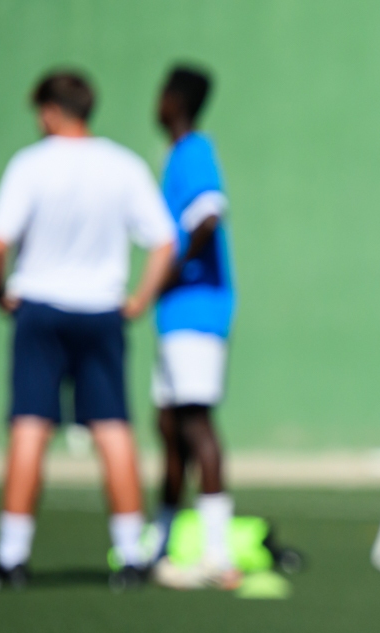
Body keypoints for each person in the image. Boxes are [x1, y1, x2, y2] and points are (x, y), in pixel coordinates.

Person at [0, 70, 175, 592]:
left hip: (40, 309)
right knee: (112, 427)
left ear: (51, 111)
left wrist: (0, 292)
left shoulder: (30, 165)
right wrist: (139, 300)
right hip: (100, 311)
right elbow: (164, 241)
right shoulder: (123, 165)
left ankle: (11, 558)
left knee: (30, 427)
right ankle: (131, 557)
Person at [146, 66, 240, 590]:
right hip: (175, 316)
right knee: (168, 426)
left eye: (161, 94)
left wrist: (172, 270)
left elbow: (209, 214)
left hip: (197, 313)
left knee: (196, 425)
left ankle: (218, 555)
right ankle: (158, 544)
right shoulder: (178, 154)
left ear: (174, 100)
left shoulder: (195, 149)